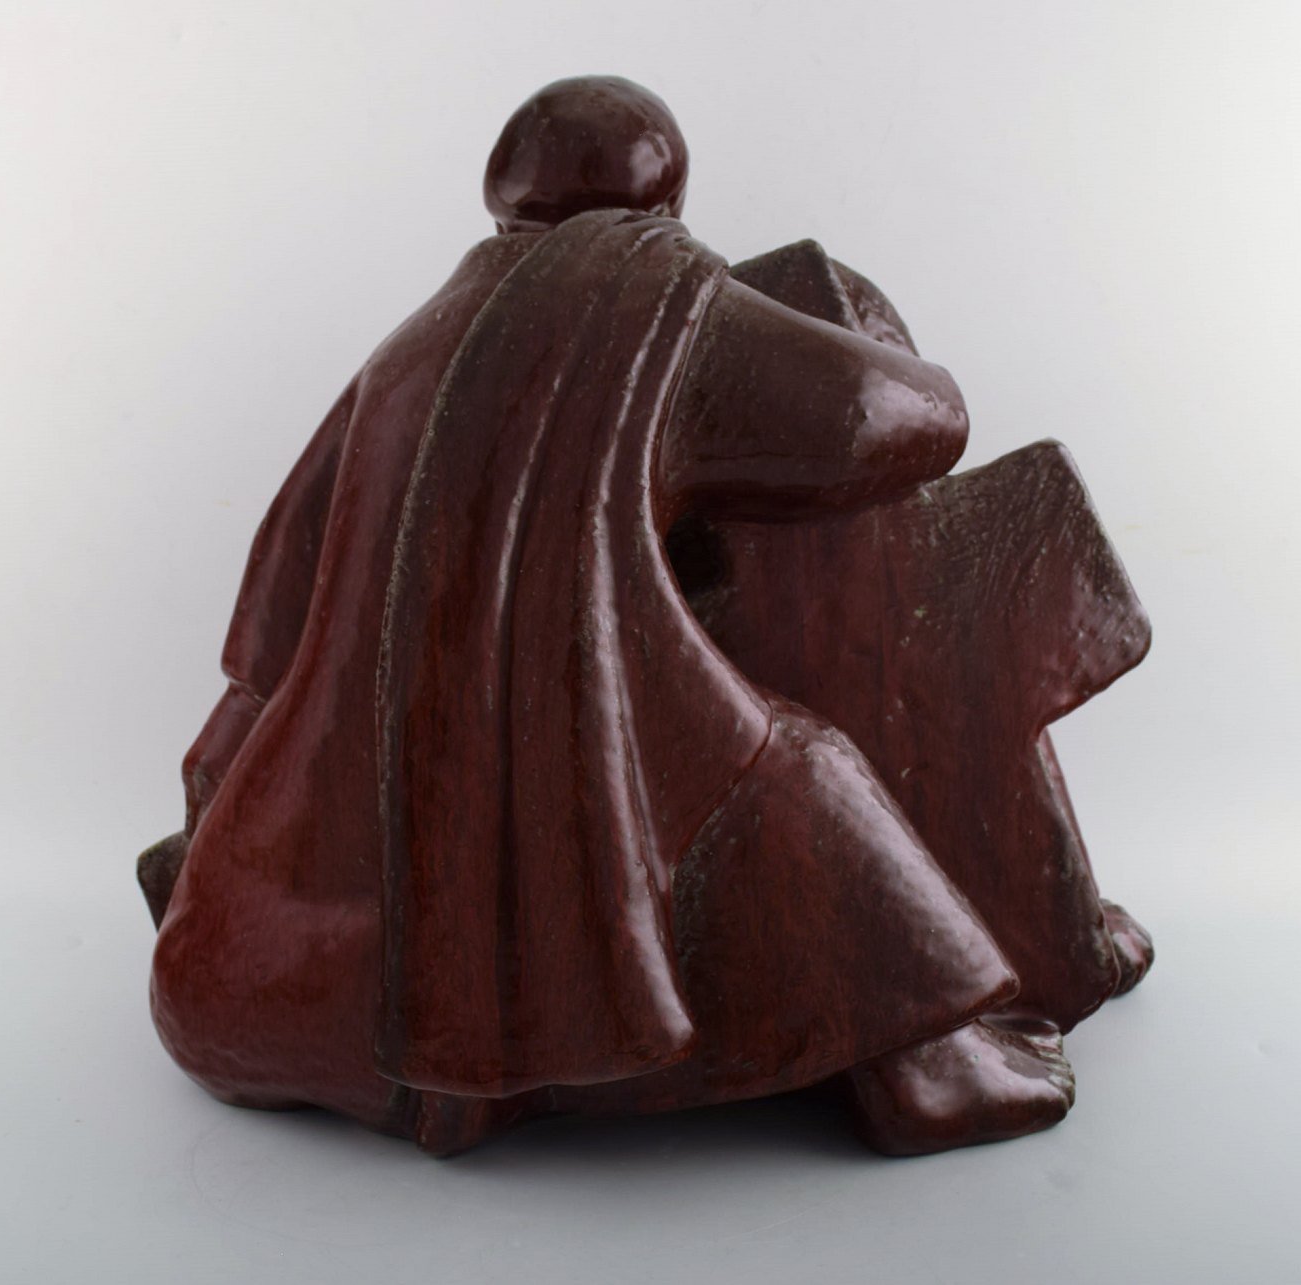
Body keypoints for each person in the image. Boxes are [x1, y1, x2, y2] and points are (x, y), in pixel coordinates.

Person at [141, 76, 1142, 1156]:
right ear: (664, 200)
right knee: (812, 776)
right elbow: (887, 418)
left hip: (240, 982)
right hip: (420, 968)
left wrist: (218, 787)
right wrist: (874, 337)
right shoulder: (646, 299)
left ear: (505, 206)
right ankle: (931, 1060)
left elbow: (276, 603)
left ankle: (1042, 942)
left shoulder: (411, 346)